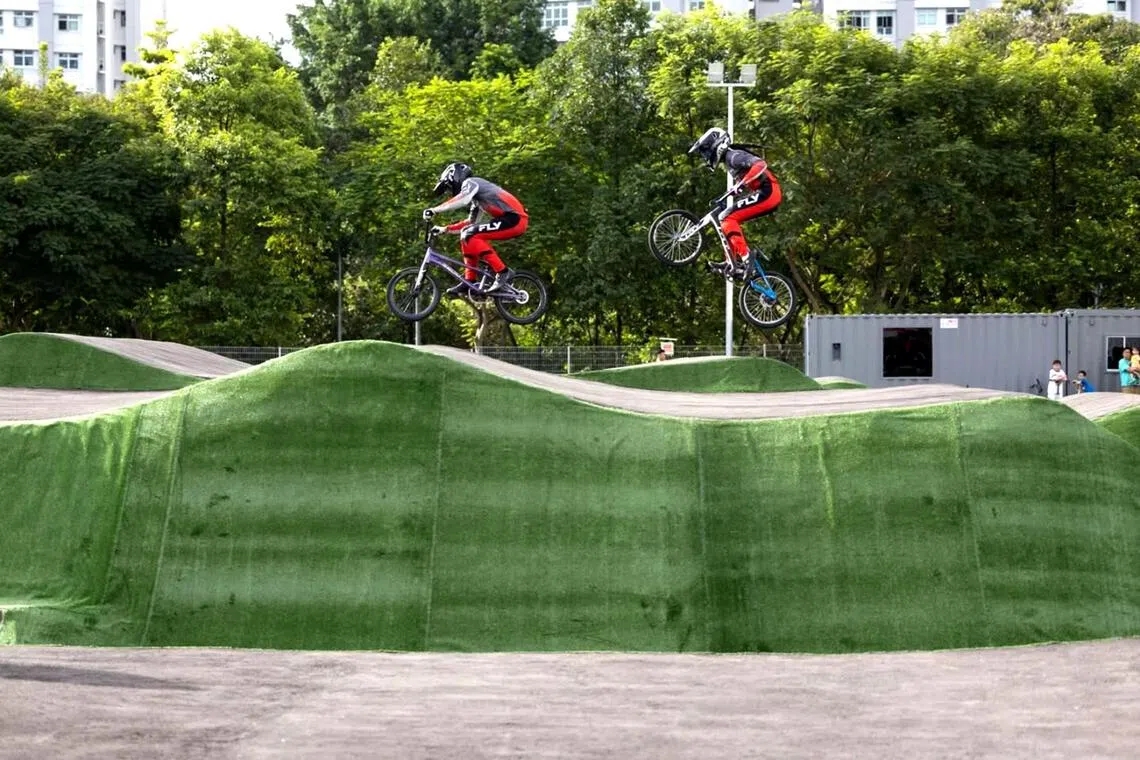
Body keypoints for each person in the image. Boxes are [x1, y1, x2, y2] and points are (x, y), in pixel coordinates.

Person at [687, 127, 782, 280]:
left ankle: (746, 256)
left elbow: (760, 164)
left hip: (769, 192)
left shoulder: (733, 156)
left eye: (706, 152)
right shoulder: (729, 161)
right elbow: (742, 184)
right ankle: (731, 261)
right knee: (726, 218)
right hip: (765, 193)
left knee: (727, 217)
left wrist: (742, 184)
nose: (706, 157)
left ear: (716, 145)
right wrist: (731, 192)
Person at [423, 162, 528, 296]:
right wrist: (445, 229)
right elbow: (470, 223)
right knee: (467, 233)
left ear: (455, 177)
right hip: (510, 220)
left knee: (470, 234)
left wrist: (434, 210)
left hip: (515, 219)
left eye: (448, 187)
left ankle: (503, 272)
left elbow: (462, 200)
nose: (449, 191)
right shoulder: (478, 200)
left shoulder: (471, 182)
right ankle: (469, 281)